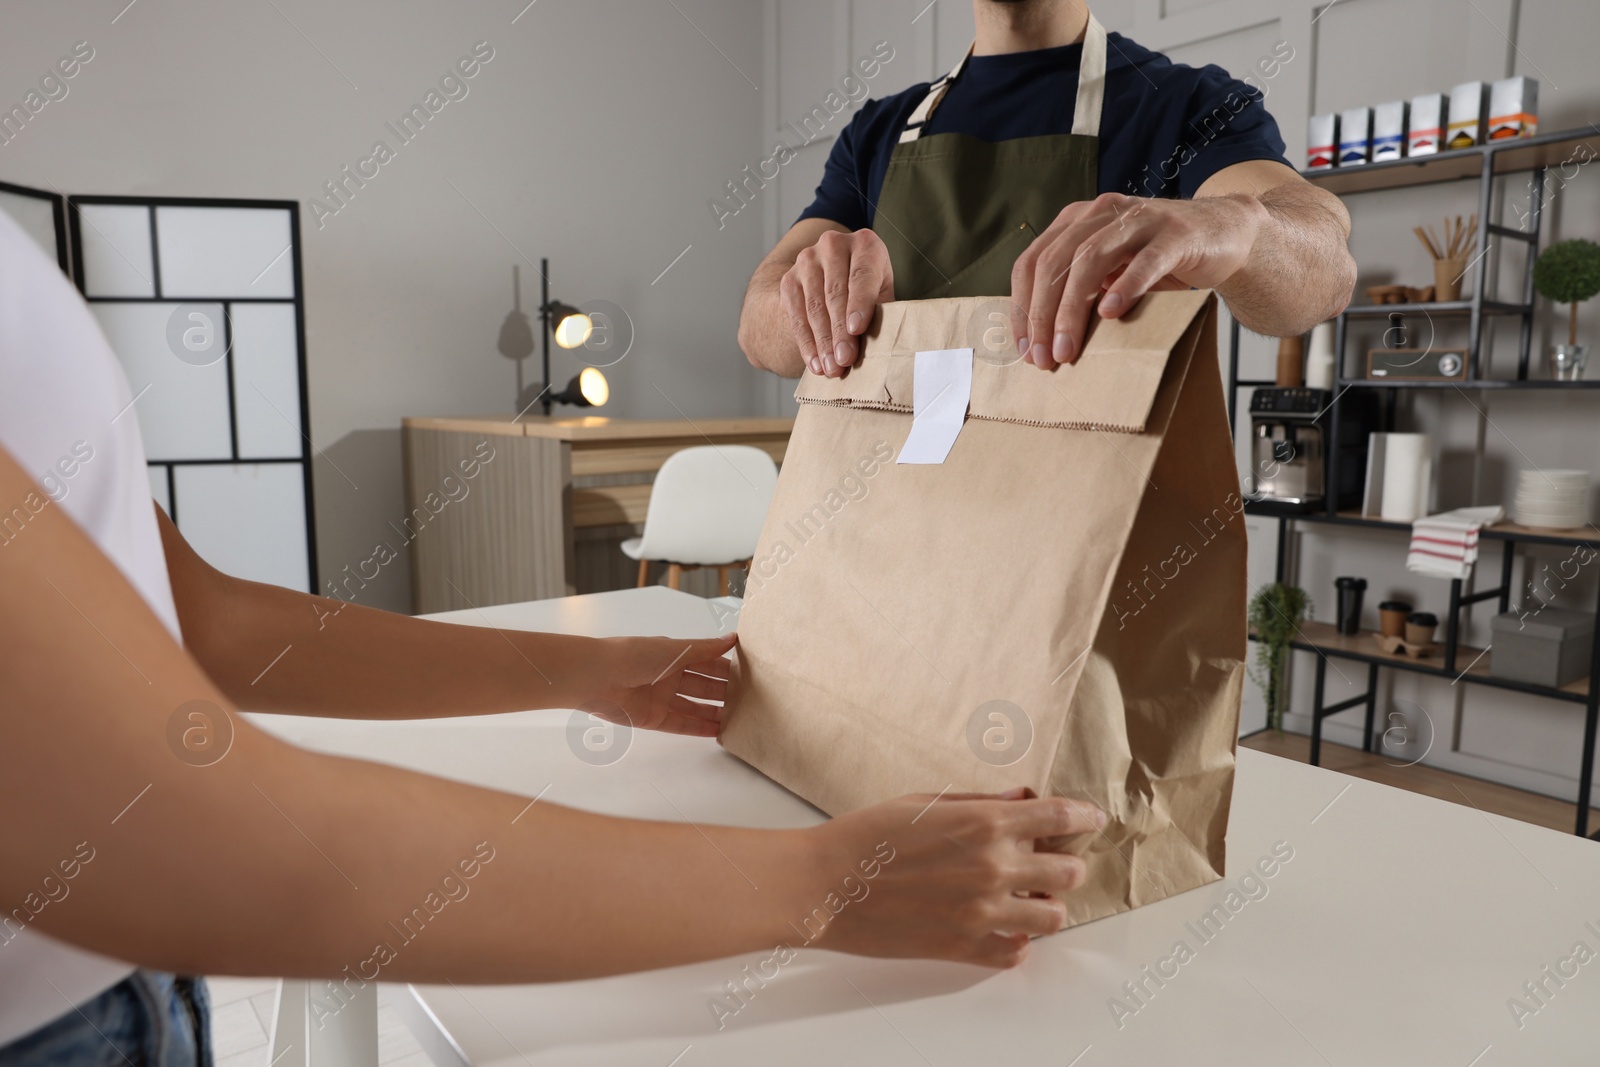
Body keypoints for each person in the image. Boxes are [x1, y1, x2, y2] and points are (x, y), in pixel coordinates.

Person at [0, 202, 1103, 1067]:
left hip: (111, 992)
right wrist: (823, 882)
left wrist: (590, 668)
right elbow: (192, 840)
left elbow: (205, 620)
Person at [738, 0, 1356, 377]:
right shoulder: (877, 131)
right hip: (889, 530)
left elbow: (1323, 274)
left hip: (1086, 546)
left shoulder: (1187, 104)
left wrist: (1233, 226)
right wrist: (813, 296)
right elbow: (758, 330)